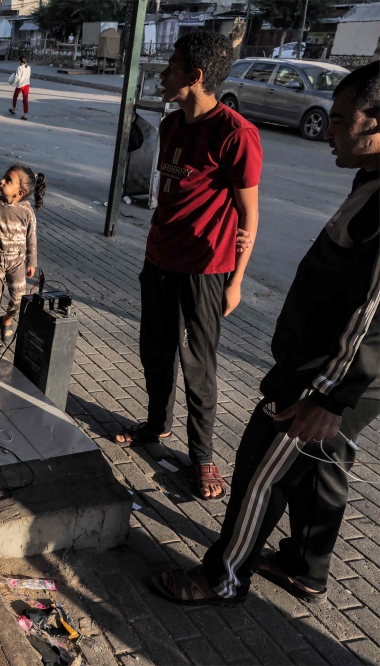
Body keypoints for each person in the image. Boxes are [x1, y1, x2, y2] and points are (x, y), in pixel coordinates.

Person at [153, 62, 380, 607]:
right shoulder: (370, 180)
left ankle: (223, 577)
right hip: (338, 376)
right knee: (321, 465)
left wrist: (329, 396)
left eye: (343, 120)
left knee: (262, 469)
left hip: (326, 377)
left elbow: (371, 312)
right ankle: (306, 567)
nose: (328, 130)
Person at [113, 31, 262, 502]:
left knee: (197, 366)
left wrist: (235, 282)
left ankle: (202, 457)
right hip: (158, 260)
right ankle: (156, 425)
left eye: (171, 67)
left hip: (206, 271)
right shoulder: (173, 125)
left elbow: (249, 217)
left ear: (195, 77)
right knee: (154, 350)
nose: (162, 74)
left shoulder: (237, 134)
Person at [0, 165, 45, 348]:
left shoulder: (26, 211)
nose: (2, 181)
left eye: (8, 180)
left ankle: (6, 319)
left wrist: (32, 262)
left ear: (20, 192)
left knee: (18, 299)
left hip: (17, 262)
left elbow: (31, 237)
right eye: (4, 177)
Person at [8, 56, 31, 120]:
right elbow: (29, 76)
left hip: (20, 85)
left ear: (20, 61)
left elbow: (17, 78)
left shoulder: (19, 68)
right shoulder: (28, 67)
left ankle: (13, 109)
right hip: (27, 84)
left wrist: (12, 82)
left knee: (15, 96)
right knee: (25, 99)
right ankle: (25, 115)